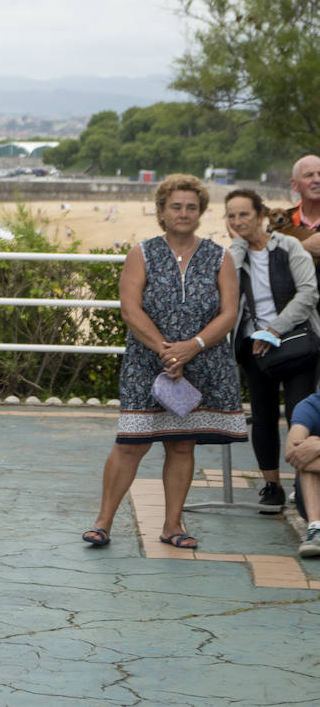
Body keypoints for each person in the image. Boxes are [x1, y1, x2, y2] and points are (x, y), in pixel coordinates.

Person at [82, 174, 245, 550]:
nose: (184, 213)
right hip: (147, 362)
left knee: (182, 444)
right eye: (176, 206)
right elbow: (129, 308)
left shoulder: (220, 257)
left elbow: (229, 312)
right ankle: (103, 522)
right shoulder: (141, 253)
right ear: (161, 211)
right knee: (131, 444)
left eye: (192, 207)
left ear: (201, 212)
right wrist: (167, 350)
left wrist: (193, 346)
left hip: (202, 362)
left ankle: (173, 525)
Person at [223, 189, 320, 508]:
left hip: (295, 342)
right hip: (253, 348)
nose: (238, 221)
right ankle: (271, 485)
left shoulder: (289, 246)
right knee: (262, 416)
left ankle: (305, 487)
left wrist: (274, 329)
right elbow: (226, 292)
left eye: (244, 214)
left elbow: (308, 294)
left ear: (261, 215)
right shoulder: (234, 254)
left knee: (299, 415)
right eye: (231, 215)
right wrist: (238, 245)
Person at [284, 392, 320, 556]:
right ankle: (316, 529)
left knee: (311, 450)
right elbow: (292, 453)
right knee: (304, 452)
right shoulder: (311, 405)